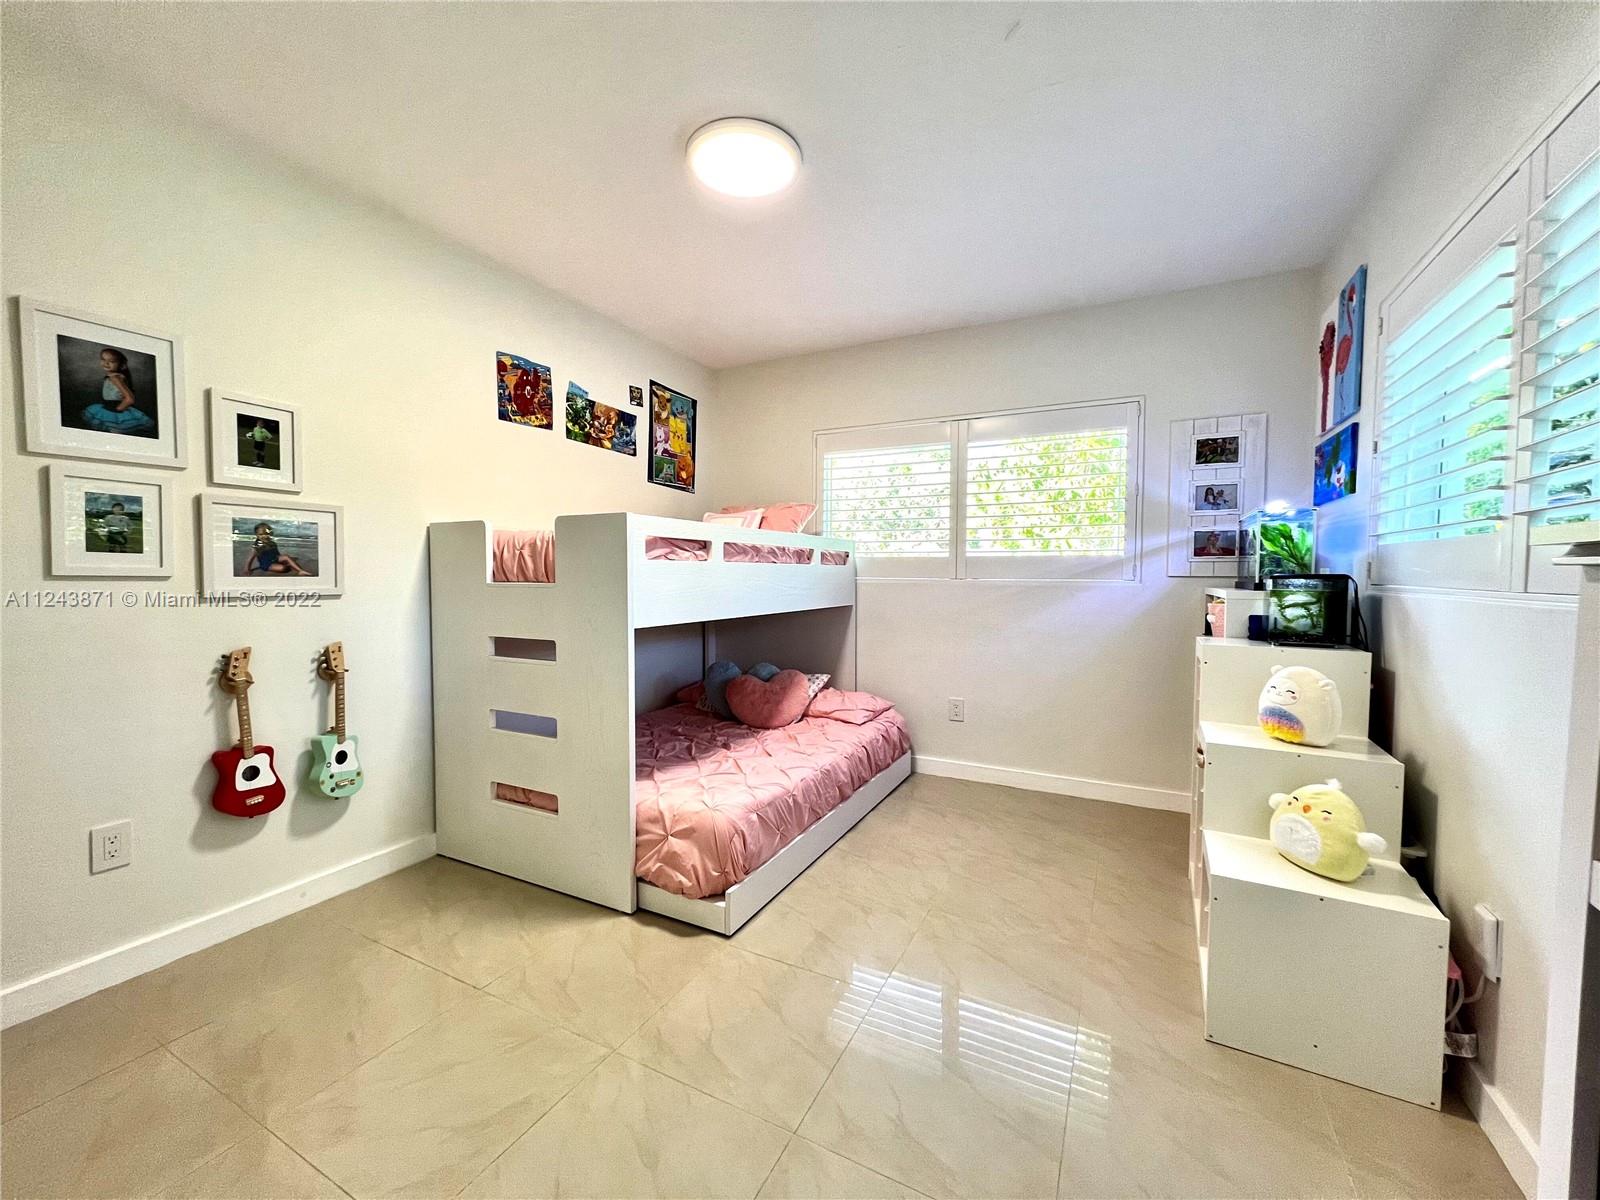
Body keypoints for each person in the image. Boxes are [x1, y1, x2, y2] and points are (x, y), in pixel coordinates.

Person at [80, 348, 155, 435]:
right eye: (103, 359)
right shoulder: (113, 376)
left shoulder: (115, 378)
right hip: (106, 407)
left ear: (121, 364)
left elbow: (130, 399)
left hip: (114, 411)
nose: (106, 363)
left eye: (111, 361)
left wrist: (118, 409)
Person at [245, 522, 312, 576]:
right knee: (283, 568)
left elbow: (277, 554)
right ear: (256, 535)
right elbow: (250, 559)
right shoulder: (257, 546)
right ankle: (289, 565)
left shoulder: (272, 543)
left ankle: (300, 571)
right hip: (267, 564)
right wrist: (247, 569)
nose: (264, 536)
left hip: (275, 559)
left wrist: (282, 559)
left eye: (266, 534)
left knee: (286, 557)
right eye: (261, 534)